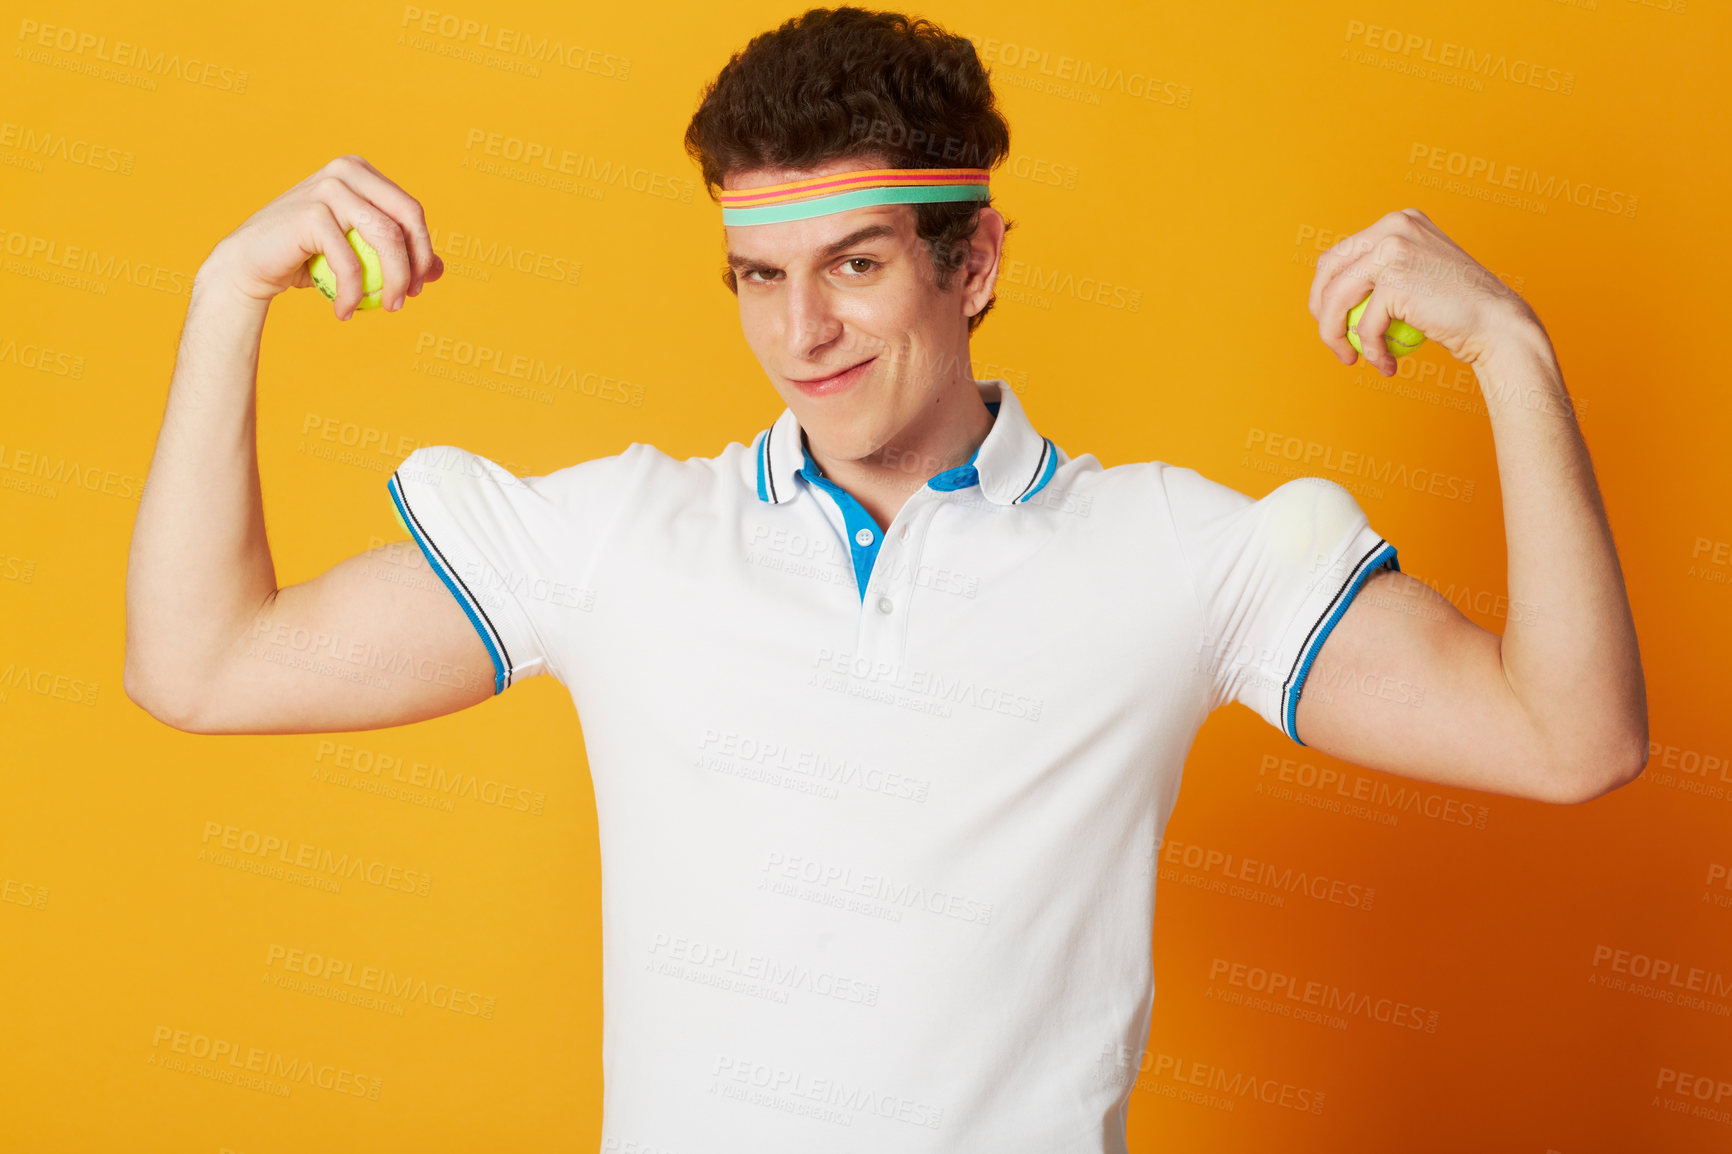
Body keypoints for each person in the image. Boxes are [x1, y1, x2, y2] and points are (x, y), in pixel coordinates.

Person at [123, 7, 1647, 1151]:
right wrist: (223, 298)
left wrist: (1512, 353)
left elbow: (1571, 738)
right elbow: (202, 667)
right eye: (761, 278)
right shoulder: (615, 545)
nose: (804, 336)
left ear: (970, 263)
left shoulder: (1181, 557)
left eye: (854, 264)